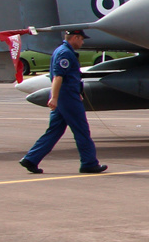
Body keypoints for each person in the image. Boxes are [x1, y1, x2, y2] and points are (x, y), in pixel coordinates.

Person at [18, 29, 106, 174]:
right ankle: (89, 163)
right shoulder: (65, 53)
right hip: (67, 98)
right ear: (75, 37)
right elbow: (58, 77)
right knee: (81, 130)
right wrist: (55, 98)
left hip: (67, 96)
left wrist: (75, 92)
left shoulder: (61, 50)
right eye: (81, 39)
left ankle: (31, 159)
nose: (82, 42)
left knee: (55, 130)